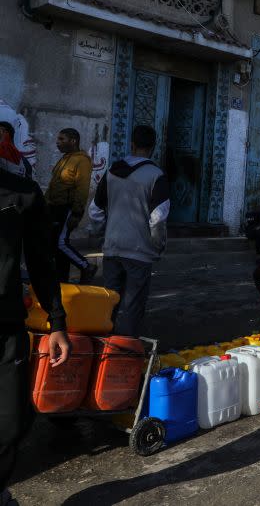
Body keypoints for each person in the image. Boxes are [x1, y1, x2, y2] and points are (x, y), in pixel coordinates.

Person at [1, 165, 70, 505]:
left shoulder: (22, 193)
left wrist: (57, 322)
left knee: (12, 420)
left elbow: (42, 261)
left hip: (7, 326)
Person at [88, 125, 168, 337]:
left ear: (131, 144)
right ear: (153, 147)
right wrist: (158, 246)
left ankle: (103, 349)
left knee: (109, 302)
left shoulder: (112, 171)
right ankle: (123, 354)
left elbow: (95, 211)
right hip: (139, 253)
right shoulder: (156, 175)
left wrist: (104, 233)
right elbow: (158, 219)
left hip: (112, 248)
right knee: (132, 307)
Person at [45, 128, 96, 282]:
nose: (57, 142)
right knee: (54, 247)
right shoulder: (64, 159)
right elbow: (54, 186)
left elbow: (82, 188)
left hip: (67, 209)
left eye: (62, 139)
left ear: (73, 141)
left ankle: (86, 266)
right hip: (53, 208)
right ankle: (61, 280)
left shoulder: (82, 160)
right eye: (58, 139)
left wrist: (77, 213)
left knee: (60, 243)